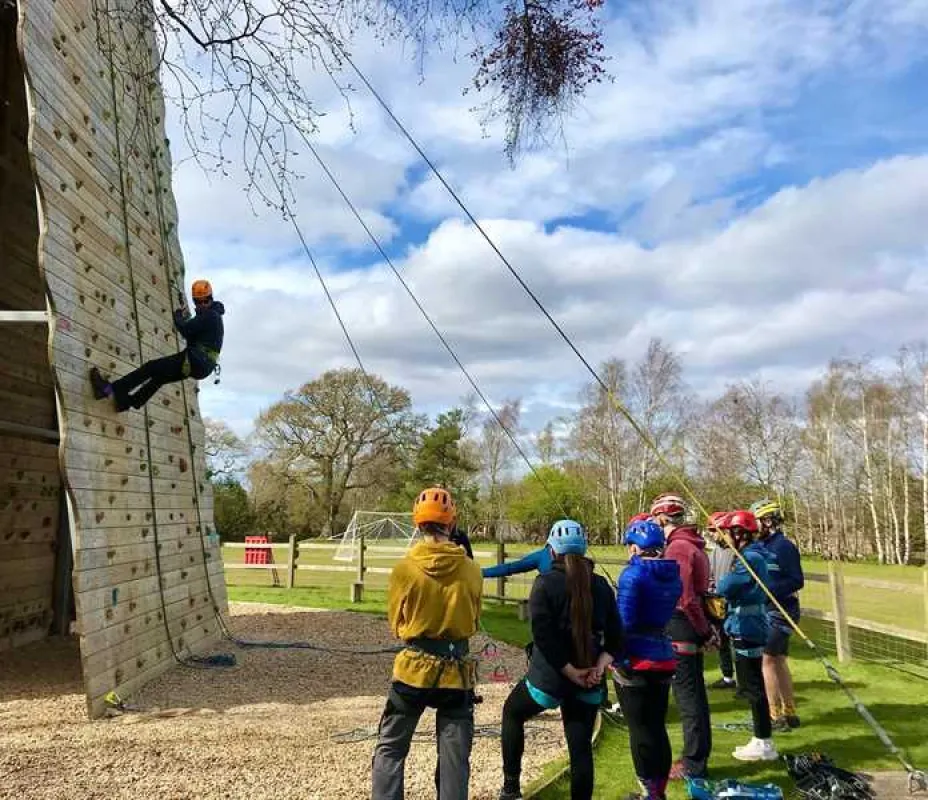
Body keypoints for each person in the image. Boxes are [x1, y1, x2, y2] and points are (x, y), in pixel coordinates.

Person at [371, 486, 483, 800]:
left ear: (417, 523)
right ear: (452, 523)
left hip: (414, 671)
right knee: (454, 758)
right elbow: (475, 620)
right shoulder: (472, 570)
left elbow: (396, 624)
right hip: (456, 673)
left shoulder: (404, 568)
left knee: (391, 747)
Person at [498, 519, 622, 800]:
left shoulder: (545, 583)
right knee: (580, 749)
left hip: (551, 678)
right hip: (589, 678)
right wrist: (598, 668)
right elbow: (617, 637)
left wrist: (568, 670)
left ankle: (511, 788)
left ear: (551, 551)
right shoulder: (601, 586)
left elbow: (543, 636)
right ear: (584, 549)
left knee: (512, 713)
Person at [614, 518, 683, 800]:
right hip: (663, 656)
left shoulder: (632, 575)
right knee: (657, 727)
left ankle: (648, 792)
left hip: (637, 659)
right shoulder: (673, 574)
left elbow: (624, 623)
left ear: (634, 547)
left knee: (639, 730)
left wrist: (617, 658)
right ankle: (659, 791)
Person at [650, 493, 713, 780]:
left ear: (663, 517)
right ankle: (696, 758)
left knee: (688, 697)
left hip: (682, 624)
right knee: (694, 694)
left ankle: (693, 763)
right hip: (689, 624)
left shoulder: (678, 548)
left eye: (655, 519)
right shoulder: (689, 544)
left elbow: (685, 598)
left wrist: (704, 631)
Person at [90, 279, 224, 412]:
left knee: (151, 367)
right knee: (160, 377)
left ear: (211, 299)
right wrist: (185, 321)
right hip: (203, 366)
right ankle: (126, 403)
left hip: (196, 359)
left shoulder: (211, 315)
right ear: (194, 301)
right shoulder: (212, 316)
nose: (202, 304)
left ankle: (107, 389)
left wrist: (178, 317)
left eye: (206, 300)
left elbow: (185, 330)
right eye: (198, 302)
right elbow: (192, 335)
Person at [716, 510, 779, 762]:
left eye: (728, 532)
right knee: (752, 683)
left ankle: (764, 741)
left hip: (747, 624)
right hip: (749, 622)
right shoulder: (755, 555)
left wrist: (724, 581)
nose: (725, 537)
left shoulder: (749, 558)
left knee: (753, 685)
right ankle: (760, 737)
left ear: (739, 533)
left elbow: (725, 586)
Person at [751, 499, 804, 731]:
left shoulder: (783, 547)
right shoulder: (760, 546)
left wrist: (768, 591)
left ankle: (774, 715)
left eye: (756, 522)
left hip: (781, 611)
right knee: (779, 660)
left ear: (768, 521)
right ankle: (790, 712)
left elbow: (796, 580)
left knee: (767, 660)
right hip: (767, 610)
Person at [706, 511, 737, 690]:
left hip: (735, 603)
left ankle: (746, 679)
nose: (711, 534)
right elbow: (710, 576)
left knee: (739, 643)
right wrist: (712, 593)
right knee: (722, 641)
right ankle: (727, 677)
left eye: (714, 530)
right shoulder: (715, 552)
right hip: (719, 604)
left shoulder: (737, 551)